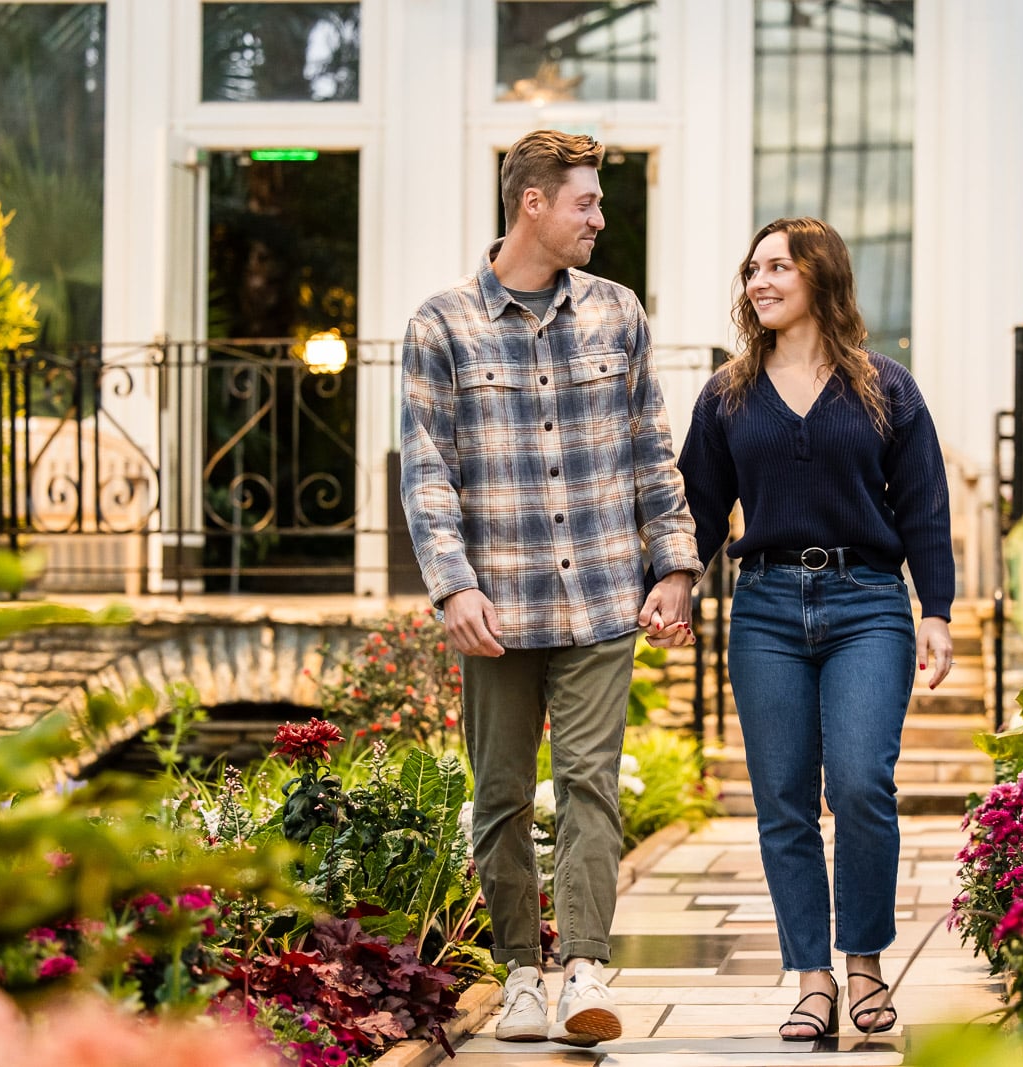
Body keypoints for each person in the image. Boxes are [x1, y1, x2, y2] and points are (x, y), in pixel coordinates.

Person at [398, 129, 702, 1047]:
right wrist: (452, 587)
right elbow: (427, 472)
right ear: (533, 202)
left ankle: (584, 973)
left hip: (603, 595)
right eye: (587, 202)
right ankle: (521, 975)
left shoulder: (619, 313)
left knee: (588, 786)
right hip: (498, 604)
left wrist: (677, 563)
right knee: (497, 794)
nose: (600, 218)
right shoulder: (440, 324)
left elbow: (653, 448)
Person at [677, 216, 956, 1041]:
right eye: (752, 269)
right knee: (784, 801)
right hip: (762, 606)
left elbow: (925, 507)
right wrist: (677, 582)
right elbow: (697, 508)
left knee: (863, 783)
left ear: (819, 276)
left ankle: (863, 958)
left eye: (776, 267)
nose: (758, 282)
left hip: (868, 601)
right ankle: (811, 977)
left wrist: (934, 610)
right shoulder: (727, 393)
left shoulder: (885, 387)